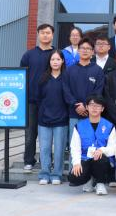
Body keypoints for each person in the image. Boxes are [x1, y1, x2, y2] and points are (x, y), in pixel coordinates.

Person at [20, 23, 54, 172]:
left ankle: (46, 159)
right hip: (31, 100)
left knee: (48, 133)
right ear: (38, 34)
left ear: (52, 35)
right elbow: (21, 76)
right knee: (30, 132)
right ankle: (29, 160)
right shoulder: (29, 55)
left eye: (48, 33)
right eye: (43, 32)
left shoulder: (56, 54)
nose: (45, 35)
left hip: (50, 100)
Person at [68, 95, 116, 195]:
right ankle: (89, 180)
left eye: (98, 105)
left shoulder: (109, 126)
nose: (94, 108)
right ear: (87, 107)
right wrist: (76, 163)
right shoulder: (79, 126)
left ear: (102, 108)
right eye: (91, 105)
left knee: (100, 159)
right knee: (73, 177)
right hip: (85, 158)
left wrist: (102, 150)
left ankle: (100, 183)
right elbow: (75, 147)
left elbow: (113, 148)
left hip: (102, 160)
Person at [34, 51, 70, 185]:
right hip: (44, 119)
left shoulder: (67, 77)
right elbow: (38, 98)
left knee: (59, 149)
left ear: (63, 61)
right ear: (49, 62)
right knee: (44, 149)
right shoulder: (43, 78)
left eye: (58, 59)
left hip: (61, 119)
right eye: (52, 59)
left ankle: (56, 174)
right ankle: (44, 174)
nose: (55, 62)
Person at [66, 38, 105, 136]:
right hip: (74, 113)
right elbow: (66, 90)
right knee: (74, 142)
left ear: (92, 52)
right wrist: (76, 105)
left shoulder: (98, 70)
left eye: (88, 48)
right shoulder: (70, 70)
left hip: (91, 114)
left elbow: (98, 91)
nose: (85, 50)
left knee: (90, 142)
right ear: (78, 50)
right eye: (82, 48)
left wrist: (85, 105)